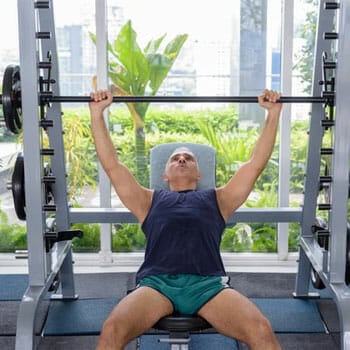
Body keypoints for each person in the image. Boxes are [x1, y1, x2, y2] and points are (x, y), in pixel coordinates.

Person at [89, 89, 283, 350]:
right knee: (112, 330)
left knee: (261, 330)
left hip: (208, 285)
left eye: (188, 158)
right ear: (165, 174)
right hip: (157, 285)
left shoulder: (219, 199)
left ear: (199, 173)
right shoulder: (147, 200)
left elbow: (255, 163)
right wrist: (97, 114)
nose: (181, 159)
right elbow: (112, 165)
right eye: (175, 158)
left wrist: (273, 114)